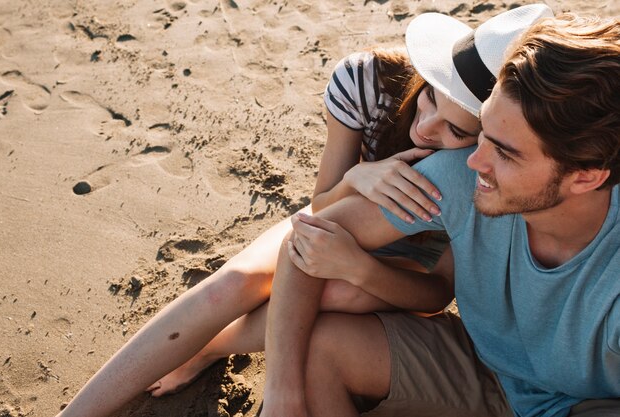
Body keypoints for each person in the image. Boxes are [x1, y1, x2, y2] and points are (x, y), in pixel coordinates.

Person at [56, 5, 551, 417]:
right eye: (429, 101)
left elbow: (437, 295)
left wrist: (360, 267)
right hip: (341, 208)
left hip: (417, 252)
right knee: (233, 284)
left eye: (456, 132)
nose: (426, 130)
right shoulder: (369, 81)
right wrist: (359, 178)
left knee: (342, 293)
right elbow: (320, 205)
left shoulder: (483, 173)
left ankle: (211, 345)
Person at [260, 11, 620, 417]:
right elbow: (308, 238)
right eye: (482, 132)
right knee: (319, 349)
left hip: (593, 403)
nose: (474, 161)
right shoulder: (462, 174)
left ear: (586, 177)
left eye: (504, 153)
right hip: (486, 369)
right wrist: (283, 398)